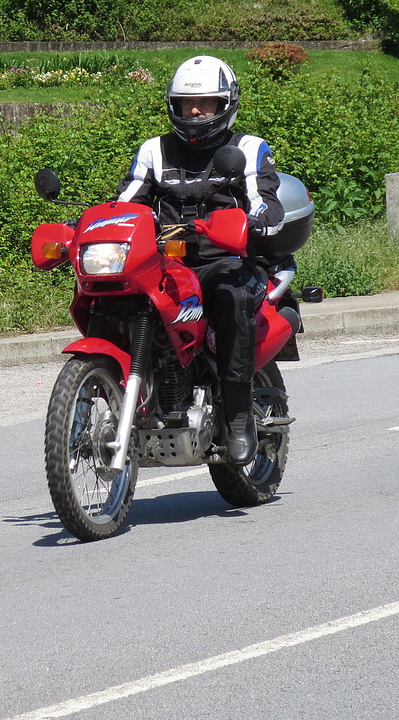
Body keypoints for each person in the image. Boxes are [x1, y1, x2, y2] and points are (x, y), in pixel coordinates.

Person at [117, 56, 284, 466]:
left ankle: (239, 417)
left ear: (225, 103)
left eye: (206, 103)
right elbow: (125, 202)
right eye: (186, 103)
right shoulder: (154, 150)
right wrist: (86, 224)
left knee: (230, 298)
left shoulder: (246, 148)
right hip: (166, 262)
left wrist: (252, 225)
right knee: (122, 298)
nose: (195, 111)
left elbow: (267, 206)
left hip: (224, 258)